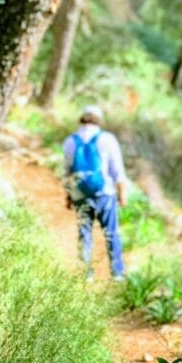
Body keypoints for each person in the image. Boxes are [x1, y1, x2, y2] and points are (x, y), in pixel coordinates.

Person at [63, 104, 127, 280]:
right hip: (105, 193)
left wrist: (69, 195)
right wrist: (122, 194)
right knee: (111, 232)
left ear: (82, 118)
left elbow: (67, 172)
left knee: (84, 233)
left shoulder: (70, 141)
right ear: (99, 120)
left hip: (80, 194)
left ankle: (85, 274)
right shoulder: (107, 139)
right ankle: (117, 273)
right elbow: (117, 170)